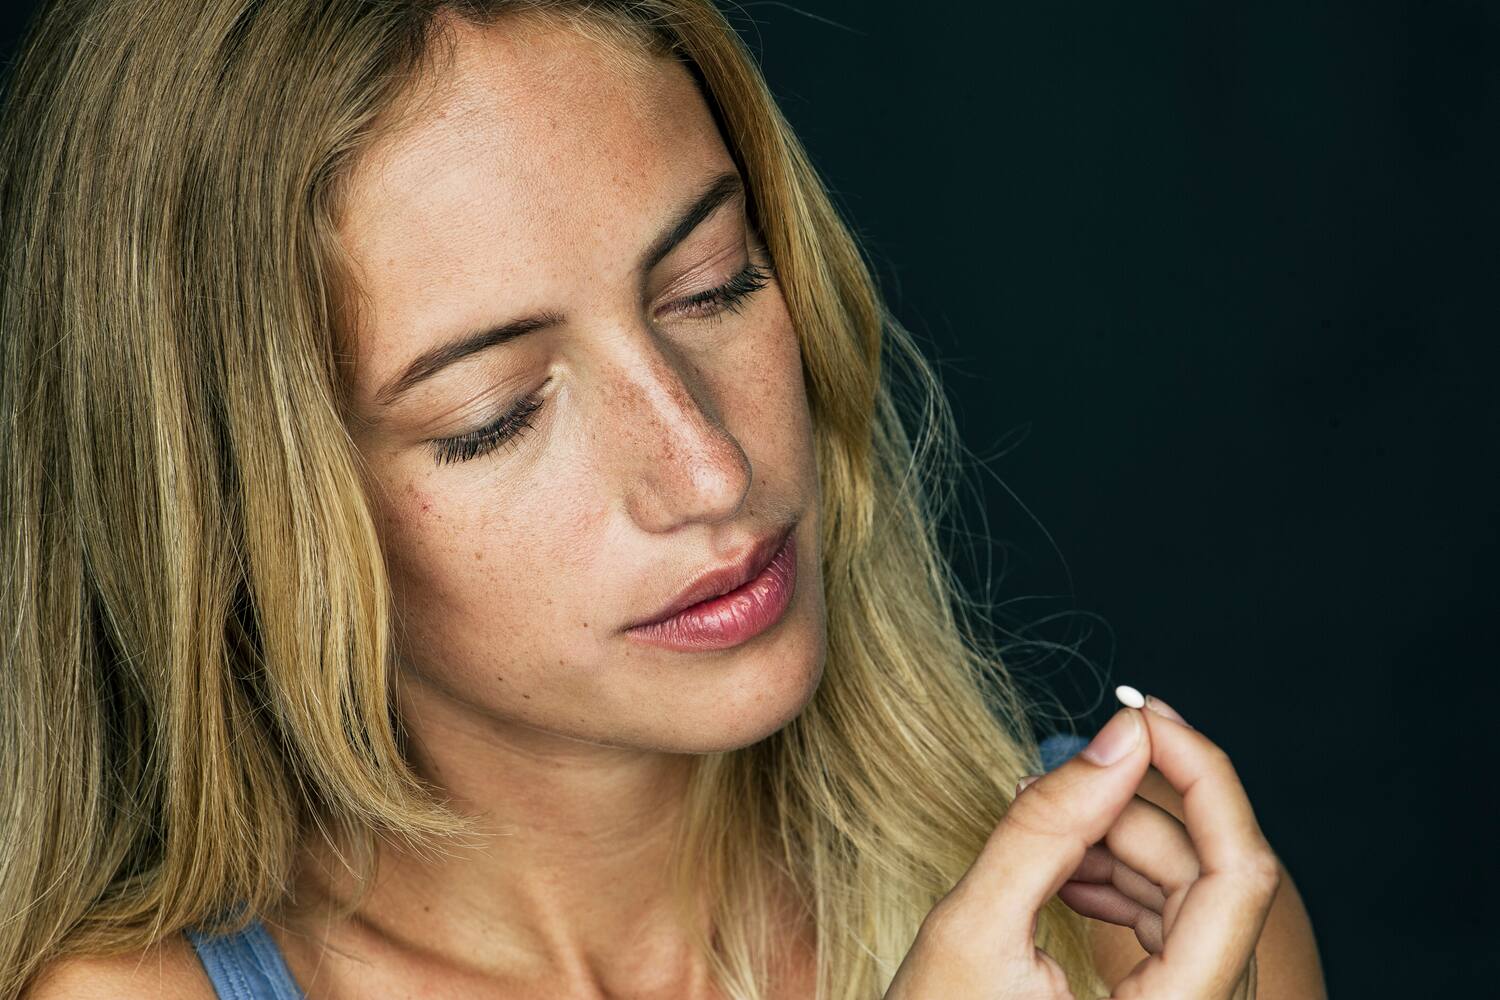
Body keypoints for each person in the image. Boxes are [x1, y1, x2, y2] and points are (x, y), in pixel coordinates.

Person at [0, 2, 1325, 998]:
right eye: (496, 413)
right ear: (234, 518)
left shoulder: (1150, 928)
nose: (711, 469)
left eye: (713, 284)